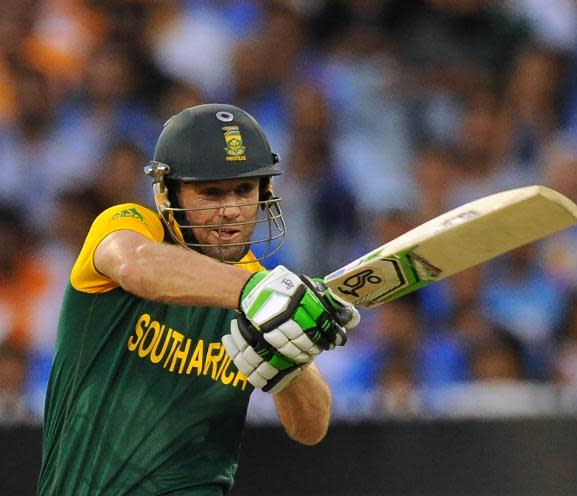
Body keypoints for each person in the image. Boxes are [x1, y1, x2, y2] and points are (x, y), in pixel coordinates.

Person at [37, 103, 359, 495]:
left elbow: (311, 428)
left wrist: (291, 360)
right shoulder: (129, 226)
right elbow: (134, 266)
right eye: (210, 193)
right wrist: (252, 294)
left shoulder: (266, 293)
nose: (230, 210)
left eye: (244, 190)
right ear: (165, 193)